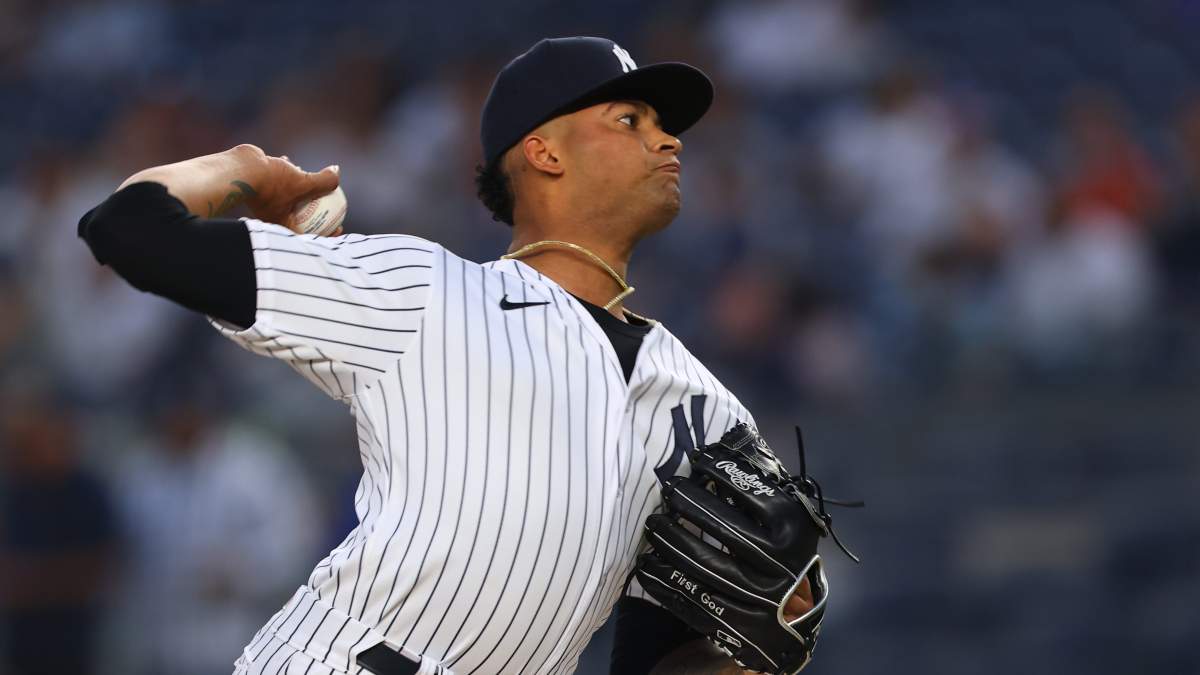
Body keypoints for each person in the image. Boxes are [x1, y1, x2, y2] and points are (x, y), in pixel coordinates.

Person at [78, 36, 815, 674]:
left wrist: (748, 647)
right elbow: (130, 229)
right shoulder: (425, 290)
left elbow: (660, 655)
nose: (668, 141)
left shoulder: (707, 411)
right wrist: (247, 168)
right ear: (544, 151)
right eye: (630, 120)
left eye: (663, 126)